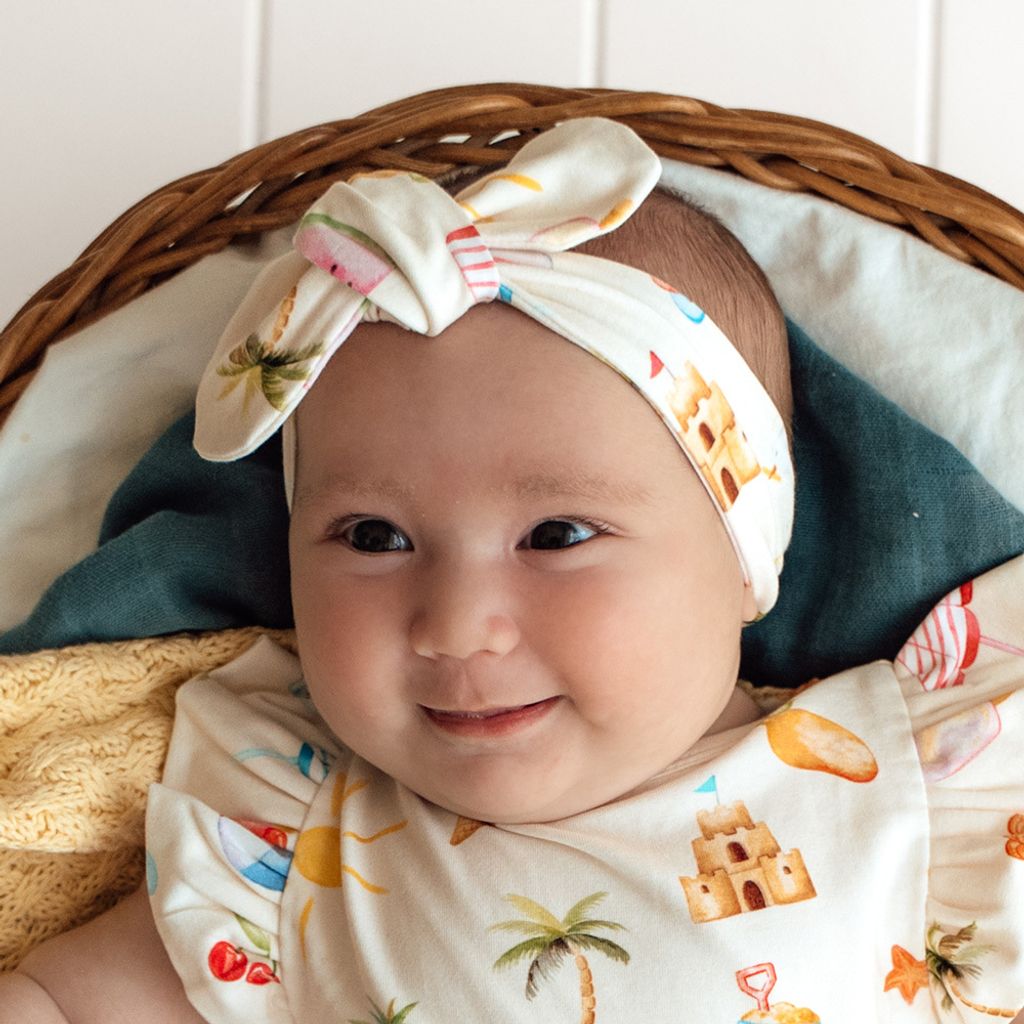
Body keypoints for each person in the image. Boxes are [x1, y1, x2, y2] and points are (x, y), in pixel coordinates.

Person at [3, 118, 1022, 1023]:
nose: (455, 623)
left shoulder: (904, 792)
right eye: (372, 538)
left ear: (746, 561)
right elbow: (63, 997)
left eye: (558, 535)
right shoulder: (291, 852)